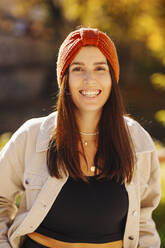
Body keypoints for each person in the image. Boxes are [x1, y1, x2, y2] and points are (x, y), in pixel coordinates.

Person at [0, 27, 161, 248]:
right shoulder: (32, 135)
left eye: (100, 68)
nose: (89, 80)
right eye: (78, 69)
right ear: (64, 77)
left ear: (112, 77)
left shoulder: (137, 141)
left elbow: (144, 221)